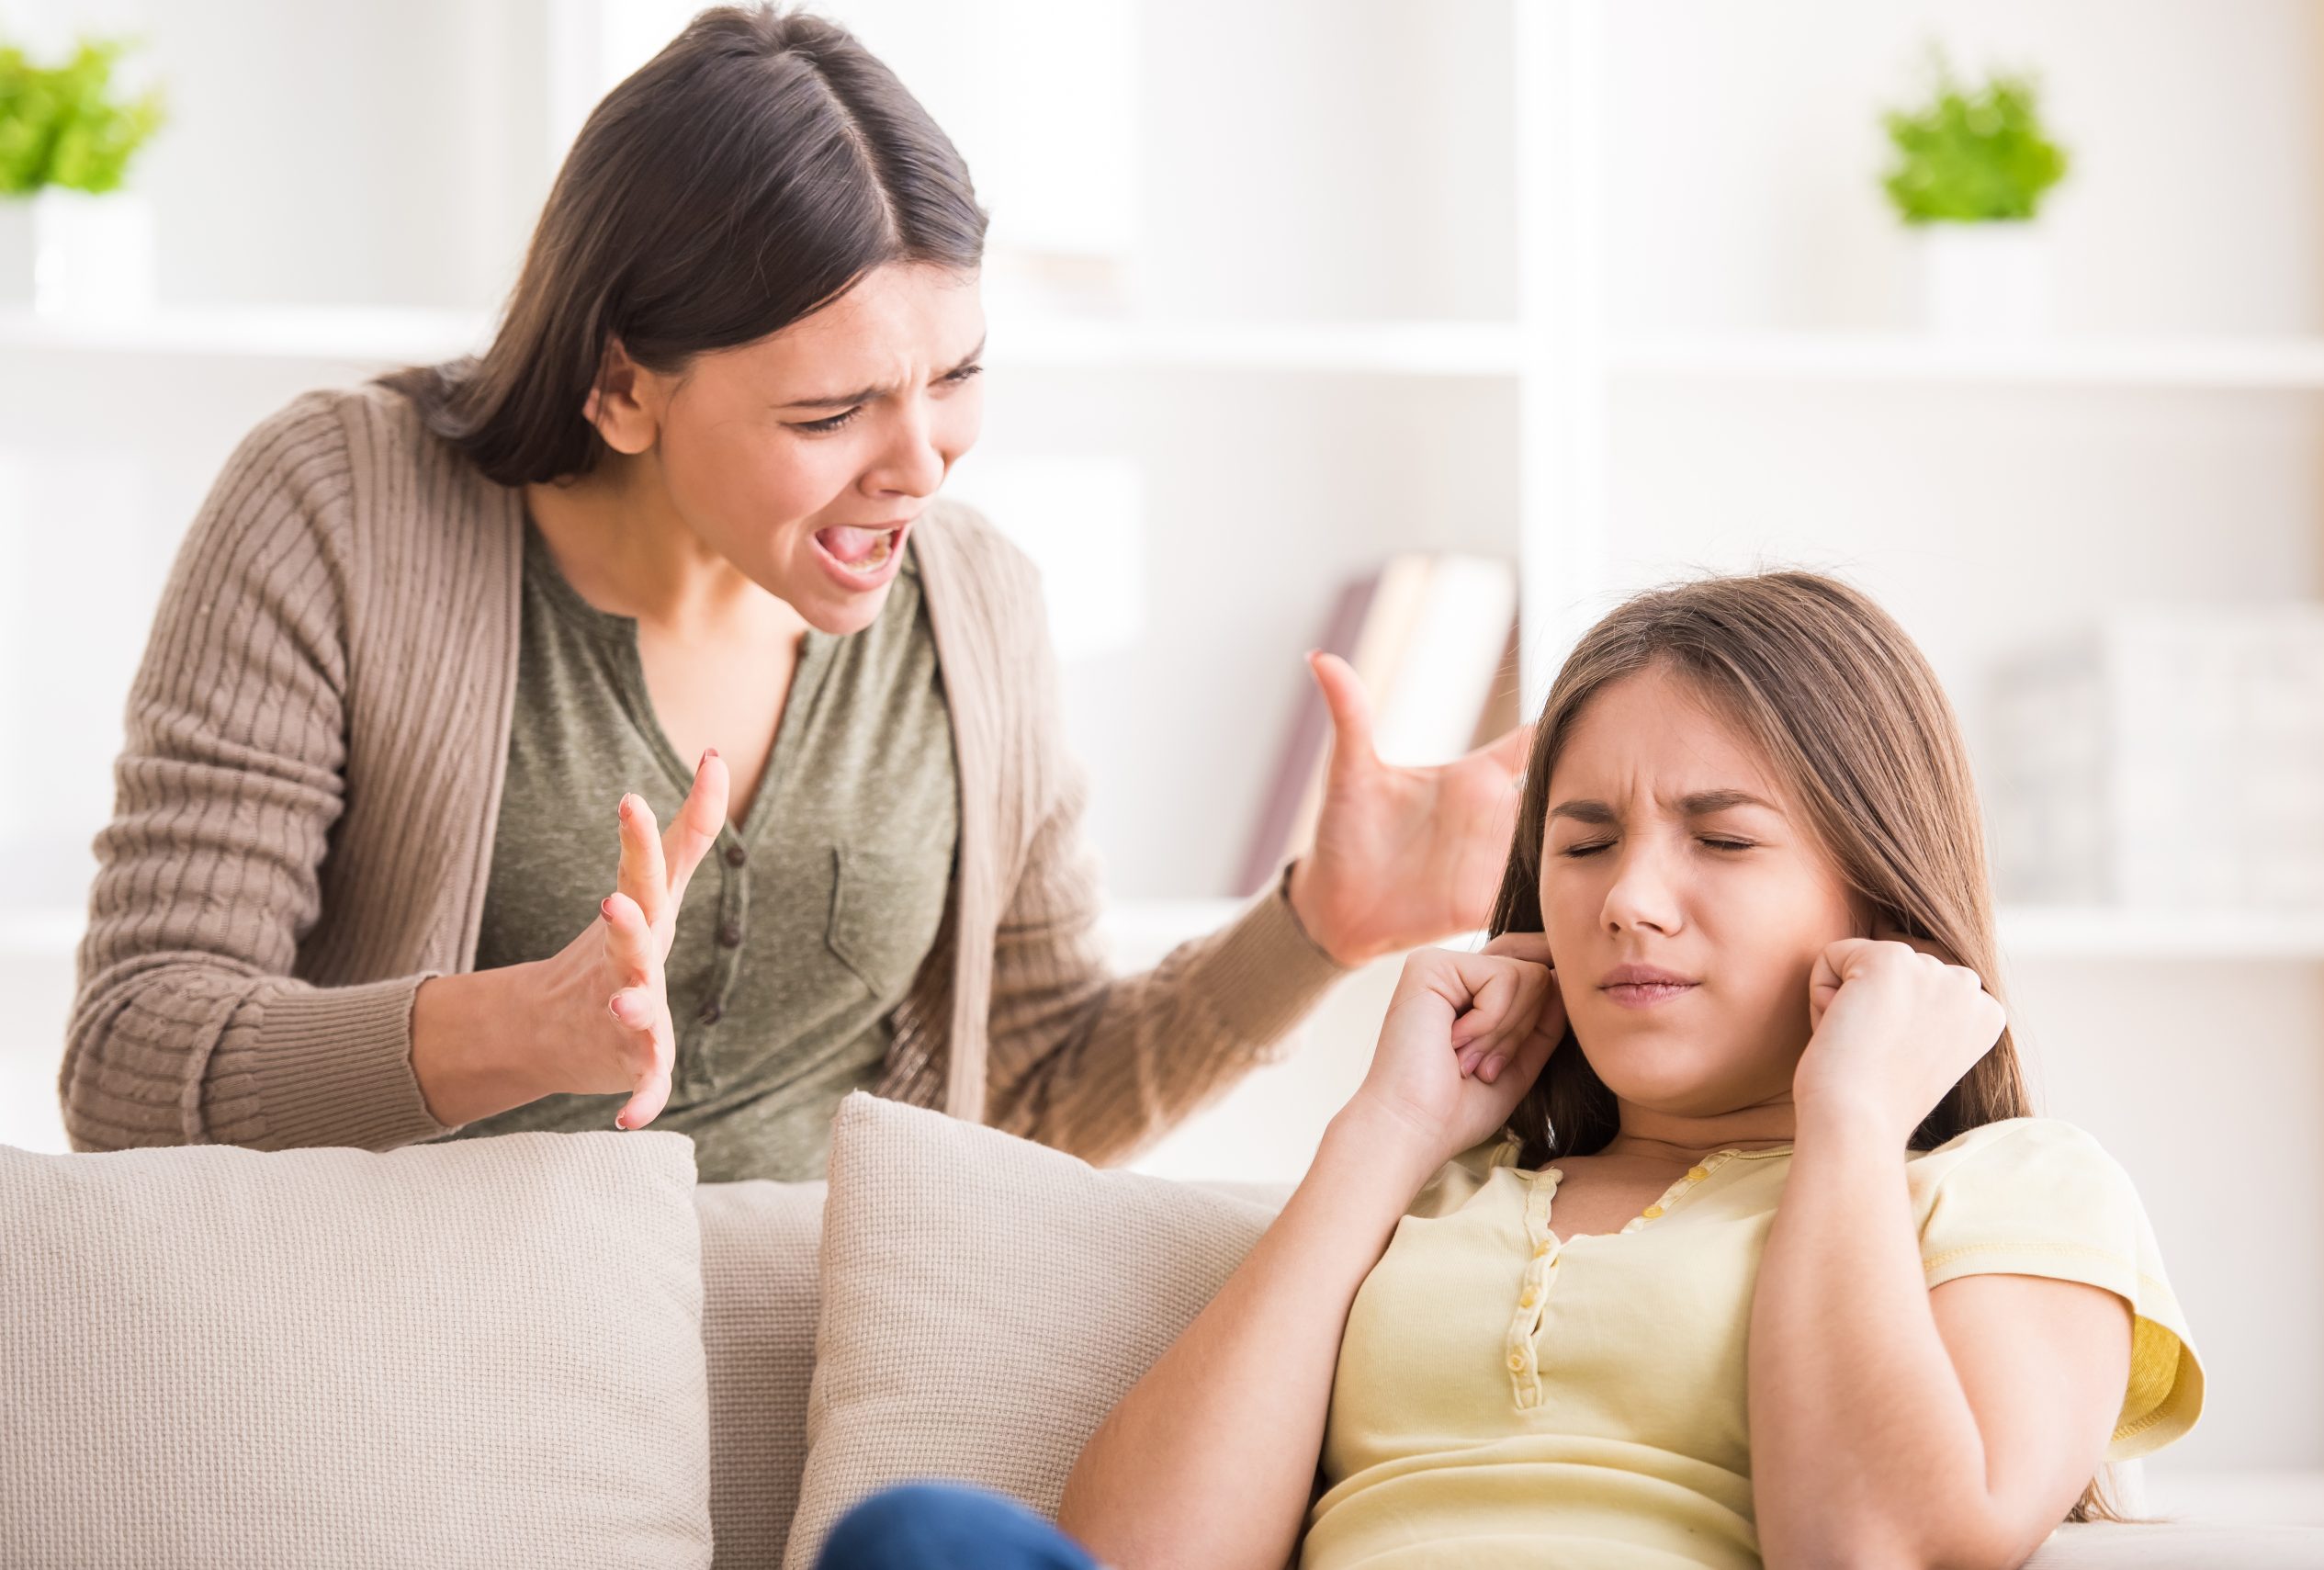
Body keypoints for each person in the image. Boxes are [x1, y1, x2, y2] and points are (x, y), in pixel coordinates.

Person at [57, 6, 1527, 1180]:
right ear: (623, 382)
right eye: (831, 415)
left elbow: (1021, 1106)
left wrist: (1318, 925)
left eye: (954, 380)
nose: (921, 468)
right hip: (447, 1401)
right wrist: (523, 1027)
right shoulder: (342, 508)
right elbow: (131, 1067)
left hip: (835, 1405)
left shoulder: (977, 610)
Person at [814, 569, 2205, 1570]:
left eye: (1720, 841)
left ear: (1875, 897)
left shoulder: (2009, 1189)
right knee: (920, 1540)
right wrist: (1387, 1129)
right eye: (1587, 842)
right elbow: (1130, 1554)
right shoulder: (1446, 1191)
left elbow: (1879, 1552)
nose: (1631, 901)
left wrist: (1845, 1127)